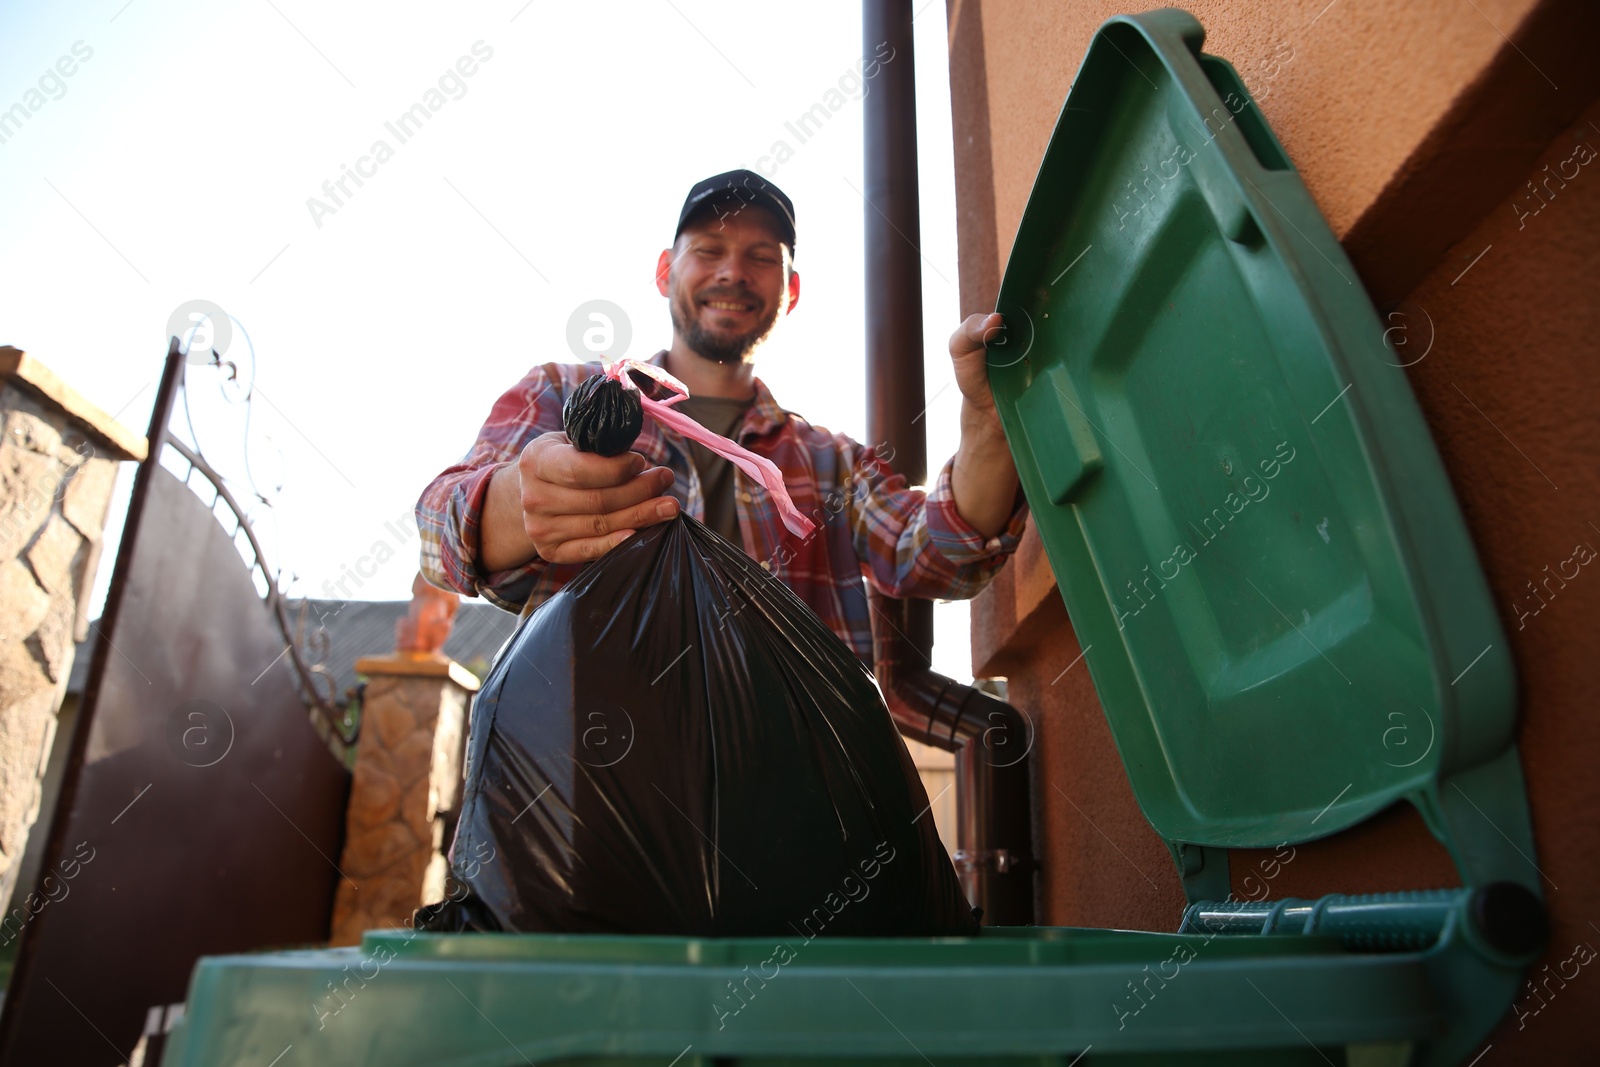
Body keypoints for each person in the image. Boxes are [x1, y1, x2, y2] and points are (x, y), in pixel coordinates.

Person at [416, 169, 1027, 662]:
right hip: (588, 785)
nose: (733, 271)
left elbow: (939, 553)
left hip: (792, 789)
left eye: (761, 256)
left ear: (790, 293)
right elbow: (437, 530)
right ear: (665, 271)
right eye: (708, 250)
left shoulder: (831, 464)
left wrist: (989, 423)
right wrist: (520, 500)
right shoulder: (561, 392)